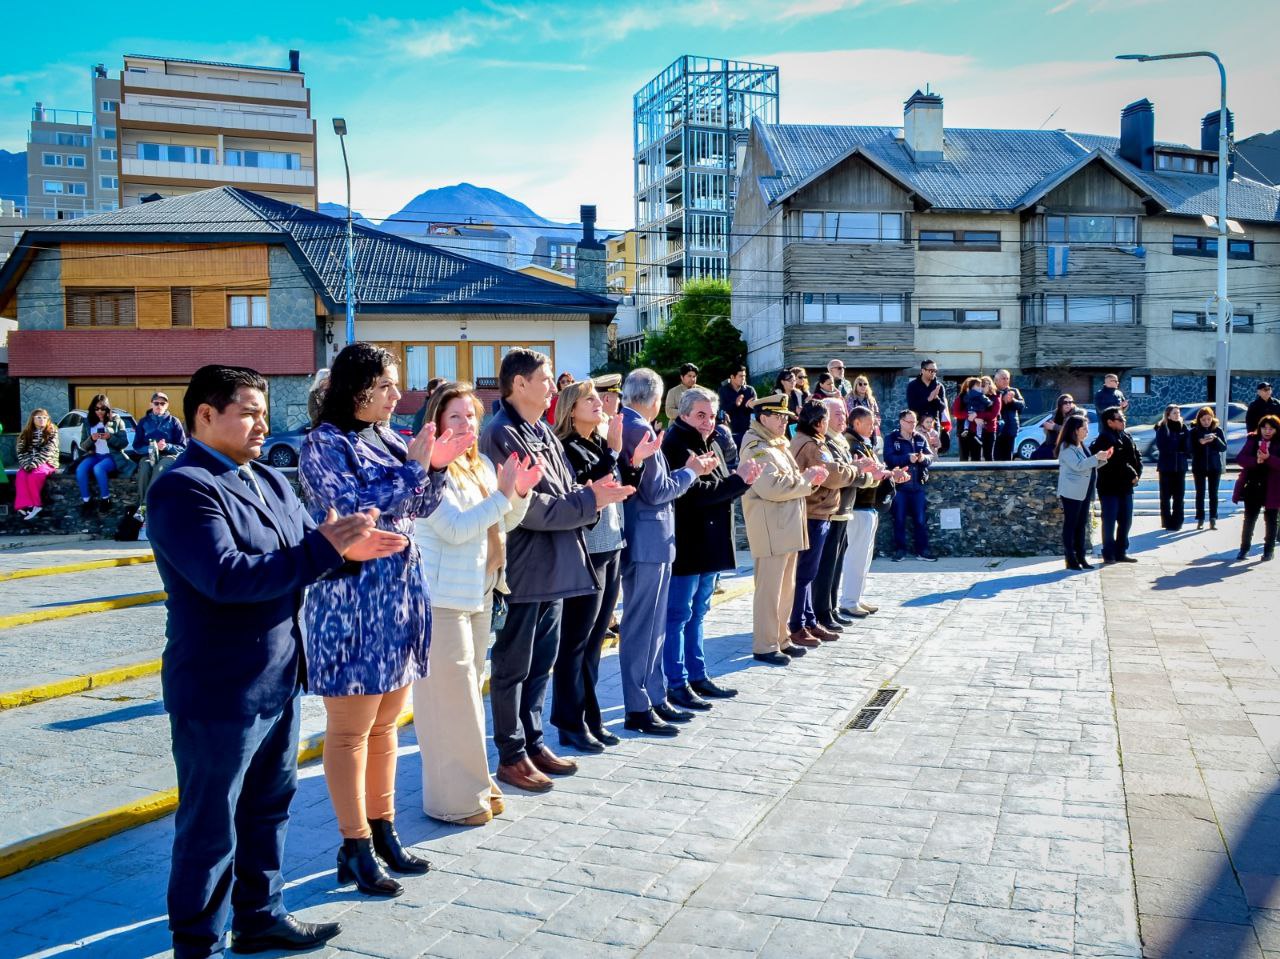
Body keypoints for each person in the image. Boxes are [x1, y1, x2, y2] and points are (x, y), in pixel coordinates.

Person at [148, 365, 408, 958]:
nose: (261, 422)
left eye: (263, 410)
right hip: (219, 689)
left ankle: (260, 916)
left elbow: (295, 557)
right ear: (205, 415)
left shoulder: (267, 477)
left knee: (269, 808)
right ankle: (199, 943)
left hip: (278, 677)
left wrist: (345, 556)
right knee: (210, 827)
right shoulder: (184, 487)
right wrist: (326, 547)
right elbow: (224, 577)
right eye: (246, 411)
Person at [301, 343, 474, 898]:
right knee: (351, 730)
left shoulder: (386, 437)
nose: (399, 396)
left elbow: (417, 506)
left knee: (386, 727)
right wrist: (417, 467)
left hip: (398, 595)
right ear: (356, 392)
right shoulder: (324, 444)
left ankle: (383, 830)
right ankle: (352, 844)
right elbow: (358, 510)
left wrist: (434, 469)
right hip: (351, 602)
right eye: (386, 388)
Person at [480, 349, 633, 790]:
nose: (552, 386)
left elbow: (565, 487)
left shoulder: (541, 430)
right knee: (513, 666)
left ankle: (533, 741)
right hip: (525, 566)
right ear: (519, 384)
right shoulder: (500, 434)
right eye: (545, 378)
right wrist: (591, 502)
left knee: (542, 661)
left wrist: (590, 494)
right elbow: (530, 510)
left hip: (554, 564)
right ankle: (511, 753)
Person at [414, 382, 540, 825]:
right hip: (442, 597)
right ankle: (455, 799)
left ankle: (477, 783)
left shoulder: (480, 464)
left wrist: (517, 494)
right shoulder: (429, 467)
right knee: (450, 700)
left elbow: (504, 520)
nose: (466, 424)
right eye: (456, 417)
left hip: (480, 589)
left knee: (467, 693)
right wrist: (503, 498)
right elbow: (453, 528)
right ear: (436, 421)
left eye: (471, 416)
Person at [618, 368, 717, 735]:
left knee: (654, 628)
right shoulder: (639, 429)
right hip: (647, 540)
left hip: (650, 540)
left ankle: (654, 697)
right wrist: (690, 472)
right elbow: (657, 492)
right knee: (644, 628)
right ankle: (640, 704)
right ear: (657, 400)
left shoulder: (628, 423)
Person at [662, 386, 761, 709]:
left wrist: (737, 479)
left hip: (708, 543)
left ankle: (697, 675)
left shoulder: (712, 440)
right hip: (689, 543)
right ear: (684, 414)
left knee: (699, 612)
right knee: (678, 614)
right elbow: (697, 493)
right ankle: (677, 682)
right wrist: (739, 481)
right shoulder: (676, 443)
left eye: (711, 415)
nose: (707, 422)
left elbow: (717, 484)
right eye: (700, 415)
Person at [552, 377, 632, 751]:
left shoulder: (599, 442)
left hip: (612, 545)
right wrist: (614, 452)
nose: (599, 403)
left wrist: (633, 457)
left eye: (599, 398)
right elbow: (587, 482)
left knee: (597, 639)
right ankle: (570, 721)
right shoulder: (567, 447)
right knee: (576, 641)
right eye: (589, 400)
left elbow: (622, 483)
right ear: (571, 408)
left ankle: (590, 717)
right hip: (588, 550)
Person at [739, 393, 827, 665]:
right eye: (778, 417)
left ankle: (781, 638)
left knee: (786, 588)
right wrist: (807, 481)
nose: (783, 421)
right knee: (769, 591)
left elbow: (789, 481)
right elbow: (770, 487)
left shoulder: (777, 443)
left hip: (786, 527)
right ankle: (765, 645)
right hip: (771, 528)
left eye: (785, 417)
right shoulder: (756, 446)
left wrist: (806, 480)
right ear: (763, 417)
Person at [789, 400, 858, 646]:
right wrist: (855, 470)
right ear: (819, 422)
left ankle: (808, 620)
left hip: (818, 512)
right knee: (805, 573)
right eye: (828, 419)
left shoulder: (810, 441)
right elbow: (833, 474)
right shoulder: (810, 445)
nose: (829, 424)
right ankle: (797, 625)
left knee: (809, 572)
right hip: (813, 512)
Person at [808, 398, 867, 632]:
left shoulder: (839, 440)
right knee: (825, 567)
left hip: (843, 509)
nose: (844, 418)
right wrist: (859, 472)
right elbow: (838, 475)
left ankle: (830, 608)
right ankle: (822, 611)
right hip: (829, 510)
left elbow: (849, 471)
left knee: (836, 564)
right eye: (838, 414)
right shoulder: (826, 443)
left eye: (844, 413)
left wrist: (861, 472)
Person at [840, 407, 905, 618]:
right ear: (856, 423)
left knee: (864, 558)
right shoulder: (851, 443)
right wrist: (885, 473)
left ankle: (856, 597)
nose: (872, 428)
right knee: (856, 557)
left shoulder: (862, 443)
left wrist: (890, 474)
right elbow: (862, 473)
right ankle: (849, 601)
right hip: (858, 505)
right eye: (868, 424)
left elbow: (875, 470)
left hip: (868, 505)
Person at [1057, 413, 1111, 570]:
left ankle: (1081, 557)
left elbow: (1088, 465)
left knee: (1081, 525)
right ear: (1075, 430)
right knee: (1071, 525)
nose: (1087, 431)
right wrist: (1096, 457)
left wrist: (1102, 458)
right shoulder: (1066, 447)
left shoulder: (1081, 445)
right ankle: (1070, 558)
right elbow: (1079, 466)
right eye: (1084, 428)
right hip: (1072, 492)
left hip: (1084, 490)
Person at [1090, 407, 1143, 564]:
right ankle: (1109, 553)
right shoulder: (1104, 439)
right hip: (1110, 486)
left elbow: (1136, 456)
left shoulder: (1126, 436)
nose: (1124, 421)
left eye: (1123, 418)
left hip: (1125, 486)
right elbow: (1115, 461)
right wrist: (1132, 474)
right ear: (1110, 422)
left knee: (1126, 520)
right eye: (1120, 419)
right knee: (1110, 520)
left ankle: (1121, 551)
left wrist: (1137, 474)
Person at [883, 409, 935, 562]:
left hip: (917, 486)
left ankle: (922, 551)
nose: (913, 425)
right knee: (898, 519)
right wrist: (907, 458)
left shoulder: (920, 437)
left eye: (914, 422)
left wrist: (922, 458)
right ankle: (900, 550)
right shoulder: (891, 438)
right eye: (910, 422)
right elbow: (889, 459)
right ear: (901, 422)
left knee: (920, 520)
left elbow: (930, 457)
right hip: (899, 488)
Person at [131, 391, 187, 517]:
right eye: (156, 403)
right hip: (148, 455)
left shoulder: (174, 421)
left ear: (167, 405)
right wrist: (151, 447)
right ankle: (143, 510)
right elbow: (136, 446)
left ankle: (144, 507)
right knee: (144, 469)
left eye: (162, 403)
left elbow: (183, 447)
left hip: (168, 456)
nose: (159, 406)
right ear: (151, 404)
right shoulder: (143, 422)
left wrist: (167, 446)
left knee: (160, 468)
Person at [1233, 415, 1280, 561]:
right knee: (1249, 518)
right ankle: (1244, 549)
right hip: (1254, 484)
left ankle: (1268, 551)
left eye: (1271, 429)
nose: (1267, 431)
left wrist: (1269, 459)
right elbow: (1240, 458)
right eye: (1264, 428)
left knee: (1271, 519)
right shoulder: (1253, 439)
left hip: (1273, 486)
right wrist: (1256, 460)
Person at [75, 394, 131, 515]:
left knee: (98, 469)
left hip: (112, 456)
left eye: (103, 408)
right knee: (80, 469)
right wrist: (91, 439)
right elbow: (83, 446)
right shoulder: (88, 422)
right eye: (96, 408)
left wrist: (110, 437)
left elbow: (124, 443)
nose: (99, 411)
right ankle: (86, 501)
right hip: (95, 455)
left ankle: (105, 499)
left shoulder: (116, 421)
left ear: (107, 409)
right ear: (92, 409)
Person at [14, 408, 60, 521]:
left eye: (44, 417)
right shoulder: (26, 432)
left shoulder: (52, 431)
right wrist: (26, 464)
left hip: (47, 462)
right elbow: (21, 451)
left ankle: (36, 505)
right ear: (32, 419)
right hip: (29, 463)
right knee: (21, 475)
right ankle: (25, 504)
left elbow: (48, 450)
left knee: (35, 475)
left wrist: (35, 464)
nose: (42, 420)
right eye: (39, 417)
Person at [1189, 406, 1227, 530]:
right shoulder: (1194, 431)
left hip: (1214, 466)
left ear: (1212, 418)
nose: (1206, 422)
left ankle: (1213, 518)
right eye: (1203, 419)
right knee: (1200, 493)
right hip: (1199, 466)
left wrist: (1215, 439)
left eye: (1209, 419)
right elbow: (1189, 449)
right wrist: (1200, 443)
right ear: (1199, 419)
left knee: (1213, 493)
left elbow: (1223, 448)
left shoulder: (1218, 430)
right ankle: (1200, 518)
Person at [1154, 404, 1189, 531]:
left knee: (1179, 496)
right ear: (1168, 415)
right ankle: (1167, 522)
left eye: (1178, 413)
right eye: (1174, 413)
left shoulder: (1183, 427)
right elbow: (1162, 446)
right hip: (1166, 467)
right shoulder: (1162, 428)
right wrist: (1177, 448)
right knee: (1165, 496)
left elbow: (1187, 446)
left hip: (1180, 466)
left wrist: (1181, 449)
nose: (1177, 415)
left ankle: (1178, 522)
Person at [717, 364, 756, 451]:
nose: (743, 378)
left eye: (744, 376)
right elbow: (720, 411)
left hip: (748, 431)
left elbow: (756, 410)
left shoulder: (750, 390)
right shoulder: (723, 391)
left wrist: (751, 406)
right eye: (740, 376)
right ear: (732, 377)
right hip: (732, 432)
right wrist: (735, 404)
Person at [906, 359, 948, 432]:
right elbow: (912, 406)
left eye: (935, 371)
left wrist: (936, 398)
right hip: (918, 424)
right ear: (923, 370)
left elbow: (942, 408)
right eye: (931, 370)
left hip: (933, 425)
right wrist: (928, 399)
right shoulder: (913, 385)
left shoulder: (939, 386)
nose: (933, 373)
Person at [993, 370, 1026, 462]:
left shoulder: (1014, 391)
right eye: (1003, 378)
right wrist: (1002, 399)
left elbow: (1022, 406)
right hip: (996, 429)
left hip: (1010, 429)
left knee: (1008, 458)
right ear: (996, 380)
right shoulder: (992, 392)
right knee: (996, 457)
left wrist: (1012, 400)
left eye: (1008, 378)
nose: (1006, 380)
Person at [1034, 394, 1077, 460]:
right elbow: (1049, 432)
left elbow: (1072, 431)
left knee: (1042, 454)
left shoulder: (1077, 414)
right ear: (1060, 404)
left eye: (1070, 402)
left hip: (1068, 444)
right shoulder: (1056, 413)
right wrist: (1047, 428)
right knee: (1035, 455)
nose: (1068, 404)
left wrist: (1054, 427)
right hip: (1053, 443)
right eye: (1065, 402)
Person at [846, 375, 882, 449]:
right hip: (857, 429)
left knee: (871, 448)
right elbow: (850, 414)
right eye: (860, 384)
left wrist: (877, 421)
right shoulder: (850, 398)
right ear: (856, 385)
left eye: (865, 384)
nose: (863, 386)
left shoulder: (871, 399)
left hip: (870, 429)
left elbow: (877, 413)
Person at [975, 376, 1003, 461]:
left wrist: (978, 415)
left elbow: (993, 414)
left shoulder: (996, 397)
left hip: (989, 429)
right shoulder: (977, 397)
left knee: (988, 455)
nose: (982, 387)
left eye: (984, 385)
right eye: (981, 385)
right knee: (976, 455)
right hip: (976, 429)